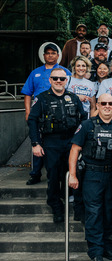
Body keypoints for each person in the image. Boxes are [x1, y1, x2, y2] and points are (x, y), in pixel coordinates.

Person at [68, 94, 112, 261]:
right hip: (92, 175)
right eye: (103, 103)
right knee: (93, 213)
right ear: (97, 105)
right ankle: (96, 252)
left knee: (108, 212)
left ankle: (106, 246)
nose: (107, 106)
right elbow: (75, 150)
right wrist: (73, 175)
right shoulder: (87, 125)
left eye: (110, 103)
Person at [27, 68, 87, 222]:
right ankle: (56, 206)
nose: (59, 82)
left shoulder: (73, 98)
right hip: (51, 142)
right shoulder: (42, 98)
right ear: (50, 80)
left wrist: (81, 141)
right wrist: (35, 143)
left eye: (61, 79)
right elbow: (32, 120)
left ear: (66, 80)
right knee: (53, 175)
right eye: (55, 79)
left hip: (71, 142)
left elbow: (84, 119)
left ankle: (78, 207)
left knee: (75, 173)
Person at [22, 43, 72, 186]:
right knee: (37, 142)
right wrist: (28, 112)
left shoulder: (65, 72)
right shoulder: (35, 73)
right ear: (43, 55)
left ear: (58, 55)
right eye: (48, 53)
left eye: (53, 53)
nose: (50, 55)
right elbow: (27, 93)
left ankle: (61, 176)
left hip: (59, 115)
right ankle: (35, 173)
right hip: (39, 113)